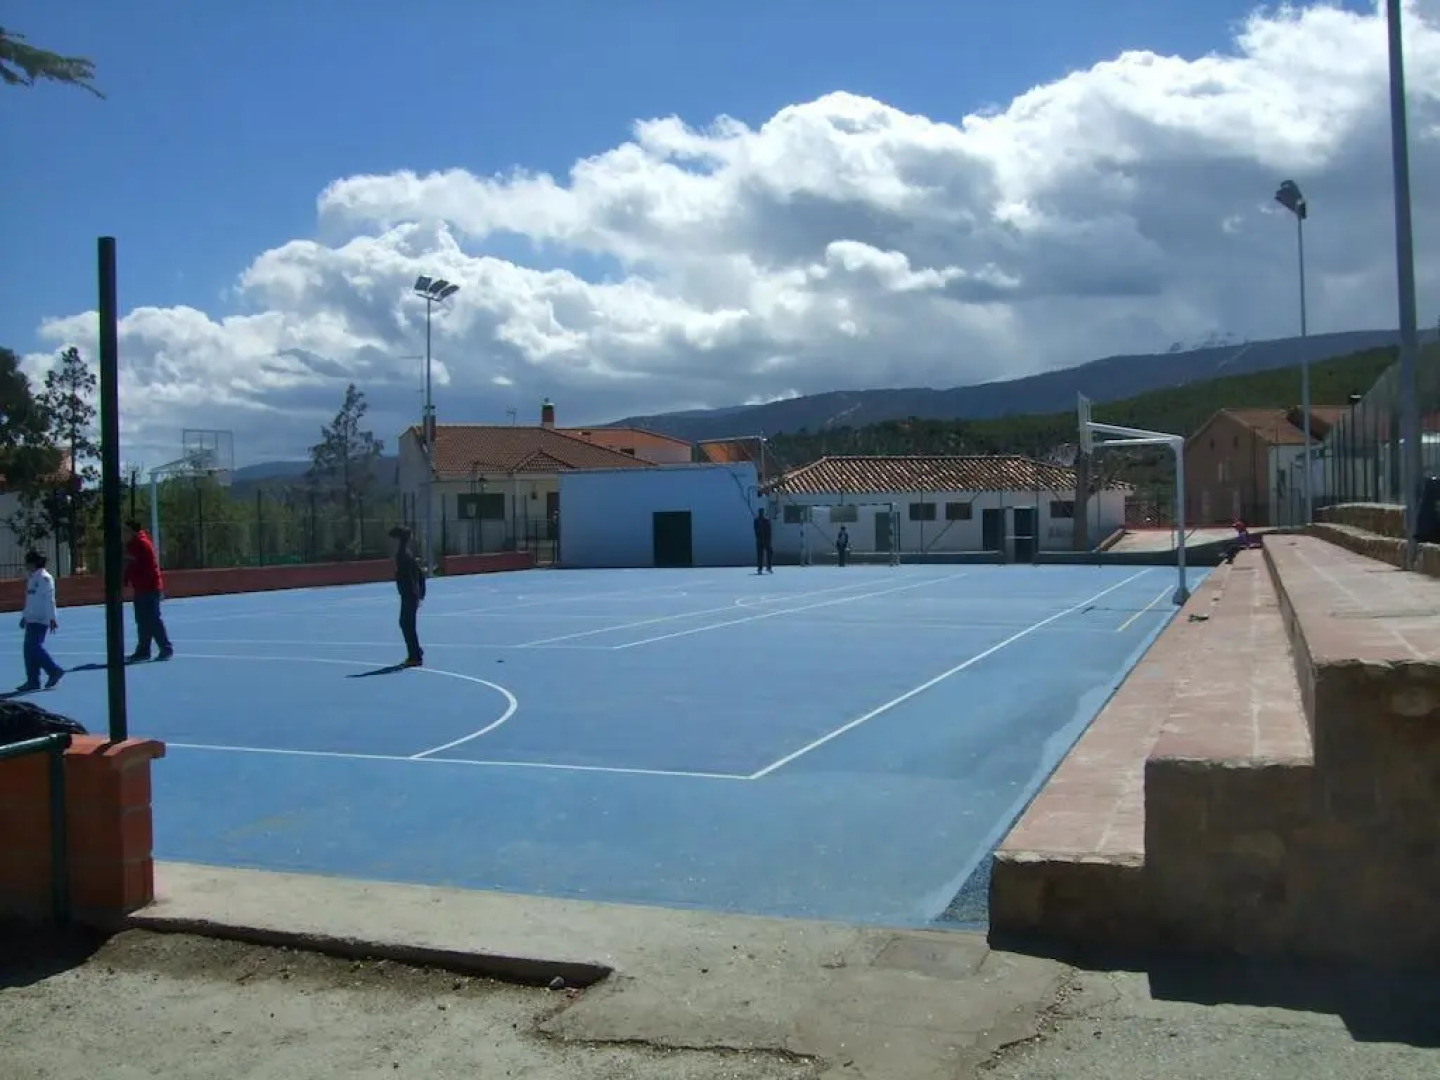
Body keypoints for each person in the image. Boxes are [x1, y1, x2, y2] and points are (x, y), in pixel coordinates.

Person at [124, 520, 173, 661]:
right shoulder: (131, 545)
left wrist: (134, 578)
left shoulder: (143, 544)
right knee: (141, 620)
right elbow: (131, 565)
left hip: (150, 588)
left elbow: (146, 568)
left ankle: (166, 648)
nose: (123, 534)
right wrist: (126, 579)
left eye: (126, 530)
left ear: (132, 531)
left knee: (153, 619)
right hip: (140, 588)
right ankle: (143, 651)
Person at [17, 549, 63, 692]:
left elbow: (49, 600)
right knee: (28, 650)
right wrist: (25, 616)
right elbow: (30, 600)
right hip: (32, 618)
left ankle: (53, 670)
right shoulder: (32, 578)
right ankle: (33, 680)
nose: (25, 565)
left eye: (27, 562)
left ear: (34, 563)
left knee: (34, 648)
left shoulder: (45, 578)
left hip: (41, 619)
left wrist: (52, 618)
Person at [390, 526, 427, 666]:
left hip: (409, 595)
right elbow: (419, 573)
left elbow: (414, 576)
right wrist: (421, 592)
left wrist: (416, 594)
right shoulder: (406, 553)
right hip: (409, 594)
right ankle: (416, 650)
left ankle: (415, 656)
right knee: (406, 623)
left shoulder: (403, 555)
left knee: (407, 624)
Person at [753, 508, 774, 574]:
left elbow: (769, 531)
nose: (762, 513)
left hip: (764, 540)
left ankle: (766, 567)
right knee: (761, 555)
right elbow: (756, 530)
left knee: (767, 553)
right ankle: (761, 568)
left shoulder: (764, 520)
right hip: (762, 540)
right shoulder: (758, 521)